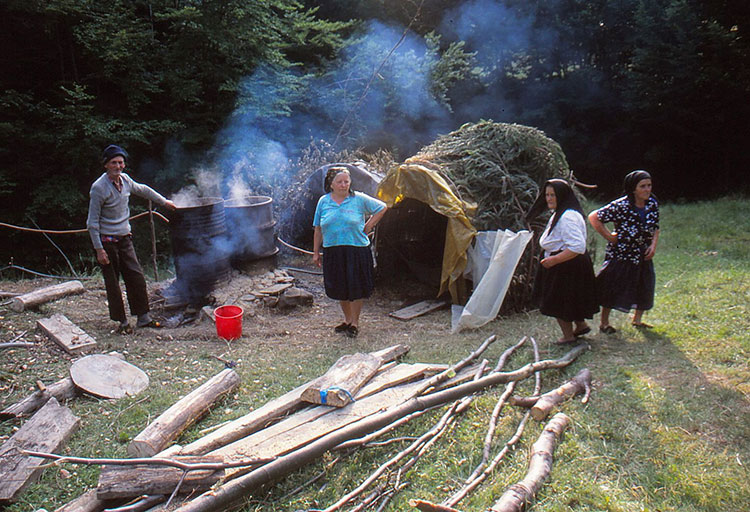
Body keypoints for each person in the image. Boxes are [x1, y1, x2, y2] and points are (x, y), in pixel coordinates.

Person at [87, 144, 176, 333]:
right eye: (114, 163)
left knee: (136, 276)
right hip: (107, 241)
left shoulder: (125, 180)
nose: (118, 166)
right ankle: (122, 323)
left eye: (120, 163)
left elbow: (143, 189)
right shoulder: (98, 188)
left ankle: (143, 317)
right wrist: (99, 249)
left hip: (124, 237)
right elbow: (92, 222)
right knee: (113, 283)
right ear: (106, 165)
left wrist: (164, 201)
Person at [312, 166, 387, 338]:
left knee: (356, 286)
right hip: (333, 250)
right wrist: (316, 252)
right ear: (331, 184)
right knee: (340, 286)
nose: (344, 184)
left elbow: (382, 207)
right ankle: (346, 320)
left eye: (346, 181)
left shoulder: (358, 199)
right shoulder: (323, 202)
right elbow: (318, 229)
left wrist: (368, 226)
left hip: (356, 249)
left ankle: (355, 322)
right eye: (339, 182)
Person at [526, 179, 599, 344]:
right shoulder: (563, 213)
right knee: (571, 298)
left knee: (558, 300)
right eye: (547, 195)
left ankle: (568, 336)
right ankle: (580, 325)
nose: (550, 199)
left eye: (554, 195)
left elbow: (577, 246)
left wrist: (554, 260)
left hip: (566, 263)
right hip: (569, 262)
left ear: (563, 196)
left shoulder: (567, 217)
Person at [588, 170, 660, 333]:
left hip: (643, 253)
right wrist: (610, 237)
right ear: (633, 189)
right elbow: (594, 217)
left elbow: (656, 227)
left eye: (649, 185)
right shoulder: (621, 206)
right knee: (612, 286)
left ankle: (637, 320)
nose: (647, 189)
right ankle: (604, 323)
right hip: (622, 253)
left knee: (645, 284)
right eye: (643, 186)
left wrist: (653, 246)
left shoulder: (652, 203)